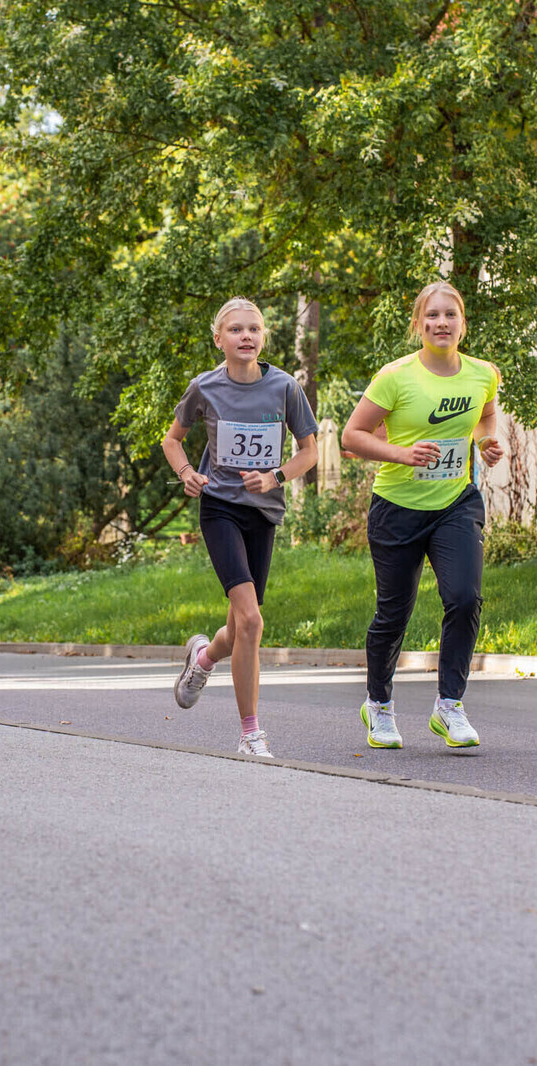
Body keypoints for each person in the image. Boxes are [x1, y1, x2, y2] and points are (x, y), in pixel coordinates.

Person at [340, 280, 505, 750]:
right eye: (432, 315)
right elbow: (352, 436)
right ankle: (379, 705)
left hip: (455, 502)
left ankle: (449, 705)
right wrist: (401, 453)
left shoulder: (483, 374)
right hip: (397, 508)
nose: (441, 323)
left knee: (465, 598)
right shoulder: (395, 376)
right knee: (394, 613)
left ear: (463, 323)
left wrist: (486, 442)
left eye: (450, 314)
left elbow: (486, 416)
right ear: (418, 324)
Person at [164, 298, 318, 759]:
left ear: (263, 336)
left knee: (239, 628)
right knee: (251, 619)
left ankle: (203, 657)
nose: (245, 336)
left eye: (253, 328)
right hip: (220, 509)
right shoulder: (205, 387)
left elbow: (309, 452)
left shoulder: (285, 387)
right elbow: (172, 440)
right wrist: (187, 473)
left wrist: (276, 477)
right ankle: (251, 733)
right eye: (235, 329)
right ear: (219, 339)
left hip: (262, 513)